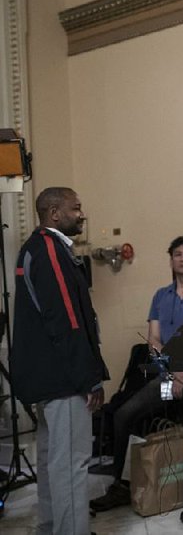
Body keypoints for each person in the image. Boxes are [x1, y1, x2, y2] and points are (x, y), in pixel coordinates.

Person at [90, 235, 183, 523]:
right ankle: (122, 484)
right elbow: (153, 339)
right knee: (124, 414)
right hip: (169, 376)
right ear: (171, 260)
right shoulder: (160, 296)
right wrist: (171, 373)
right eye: (178, 253)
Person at [10, 187, 108, 535]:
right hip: (63, 379)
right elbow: (66, 320)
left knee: (54, 464)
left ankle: (51, 528)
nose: (81, 214)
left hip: (47, 378)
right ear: (54, 213)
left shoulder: (34, 248)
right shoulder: (49, 251)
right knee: (70, 466)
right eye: (75, 208)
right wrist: (89, 378)